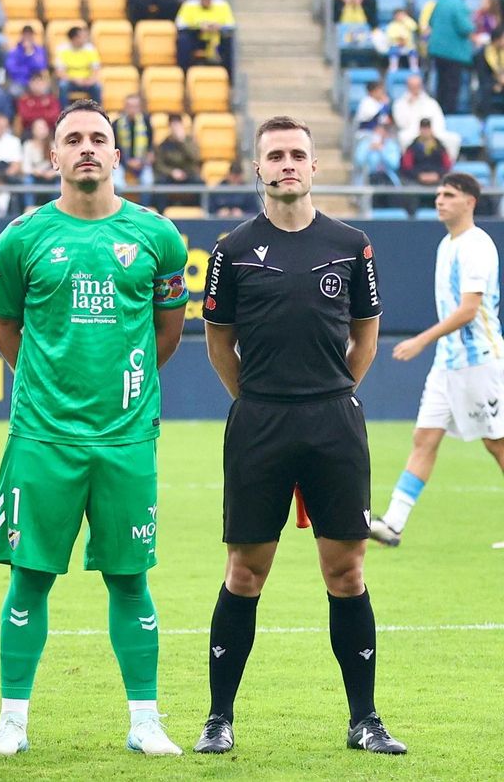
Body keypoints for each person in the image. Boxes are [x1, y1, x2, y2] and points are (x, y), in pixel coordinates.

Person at [0, 99, 190, 759]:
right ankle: (11, 721)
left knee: (130, 578)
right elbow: (6, 330)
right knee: (29, 576)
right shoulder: (21, 238)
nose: (87, 148)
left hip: (127, 441)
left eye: (98, 138)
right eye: (73, 139)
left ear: (117, 152)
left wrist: (119, 393)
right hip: (42, 439)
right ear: (54, 156)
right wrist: (51, 388)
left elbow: (168, 332)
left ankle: (145, 720)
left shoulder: (158, 238)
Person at [195, 115, 404, 756]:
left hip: (333, 421)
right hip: (259, 421)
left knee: (346, 572)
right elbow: (217, 340)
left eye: (298, 154)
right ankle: (218, 719)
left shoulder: (351, 243)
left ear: (315, 167)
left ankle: (364, 719)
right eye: (275, 155)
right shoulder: (230, 248)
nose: (288, 163)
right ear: (257, 168)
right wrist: (257, 401)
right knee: (245, 573)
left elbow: (365, 332)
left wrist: (333, 391)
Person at [372, 173, 504, 547]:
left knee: (498, 444)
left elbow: (469, 310)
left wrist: (421, 340)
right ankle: (393, 523)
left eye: (449, 194)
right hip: (449, 364)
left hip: (479, 361)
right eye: (438, 194)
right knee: (424, 437)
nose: (440, 200)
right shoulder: (448, 244)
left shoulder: (477, 245)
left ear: (470, 202)